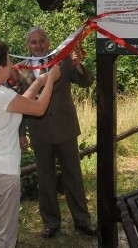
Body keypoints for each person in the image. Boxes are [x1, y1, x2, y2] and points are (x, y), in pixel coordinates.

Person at [0, 37, 60, 247]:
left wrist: (39, 81)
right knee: (5, 238)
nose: (10, 64)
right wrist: (51, 79)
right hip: (3, 174)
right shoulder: (2, 96)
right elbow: (39, 108)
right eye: (7, 60)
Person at [11, 27, 97, 239]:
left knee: (73, 176)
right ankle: (51, 222)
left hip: (65, 128)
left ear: (48, 43)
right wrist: (21, 133)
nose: (38, 45)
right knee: (45, 178)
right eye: (33, 42)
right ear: (27, 46)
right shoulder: (20, 70)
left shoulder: (63, 60)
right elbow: (19, 103)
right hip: (39, 131)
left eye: (41, 41)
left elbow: (87, 82)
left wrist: (78, 66)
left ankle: (83, 220)